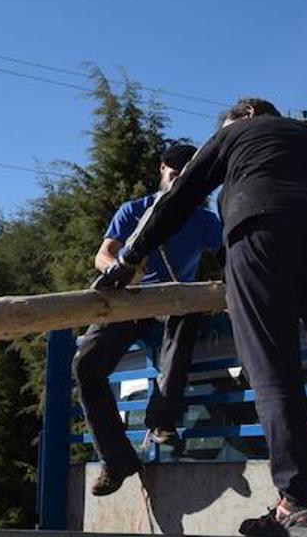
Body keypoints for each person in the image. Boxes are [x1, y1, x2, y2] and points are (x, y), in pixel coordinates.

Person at [95, 98, 307, 537]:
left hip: (261, 233)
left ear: (248, 114)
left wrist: (128, 260)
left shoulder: (236, 132)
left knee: (273, 371)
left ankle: (300, 504)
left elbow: (179, 197)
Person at [75, 143, 223, 496]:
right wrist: (119, 270)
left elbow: (228, 256)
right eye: (174, 177)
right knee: (86, 365)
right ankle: (117, 458)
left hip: (174, 298)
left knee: (187, 315)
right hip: (131, 298)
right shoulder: (134, 211)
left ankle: (162, 421)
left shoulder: (204, 220)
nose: (179, 186)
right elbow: (103, 255)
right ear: (162, 171)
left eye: (187, 180)